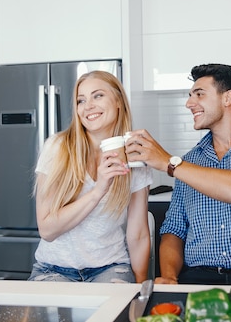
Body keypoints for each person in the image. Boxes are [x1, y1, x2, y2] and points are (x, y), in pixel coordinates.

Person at [125, 63, 231, 284]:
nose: (189, 103)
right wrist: (169, 276)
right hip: (197, 278)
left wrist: (168, 162)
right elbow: (174, 229)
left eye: (199, 94)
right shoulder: (190, 161)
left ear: (227, 98)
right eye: (190, 95)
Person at [28, 70, 152, 283]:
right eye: (81, 100)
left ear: (118, 101)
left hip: (111, 267)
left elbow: (138, 234)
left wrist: (140, 291)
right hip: (53, 269)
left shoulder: (134, 157)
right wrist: (98, 190)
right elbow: (47, 230)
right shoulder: (57, 149)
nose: (88, 106)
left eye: (98, 96)